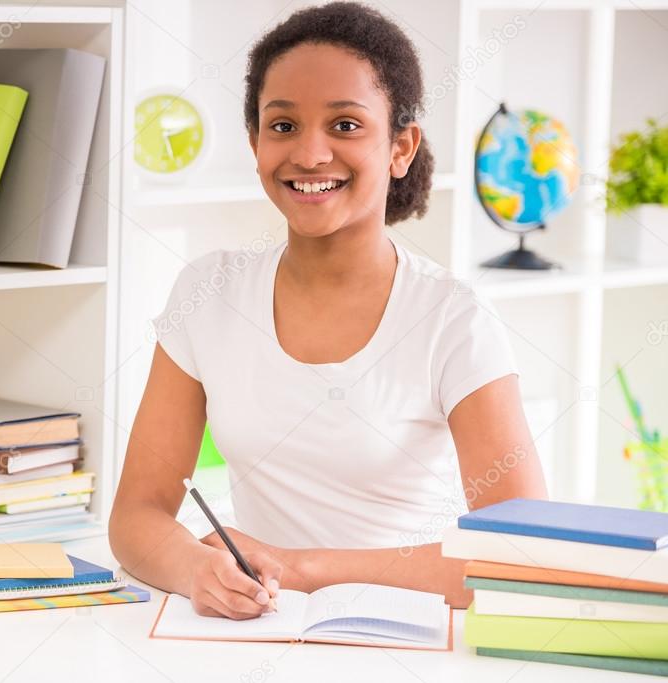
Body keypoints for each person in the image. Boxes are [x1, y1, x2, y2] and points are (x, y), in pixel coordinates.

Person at [109, 2, 548, 620]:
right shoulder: (208, 292)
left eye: (345, 125)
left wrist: (305, 568)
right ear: (256, 142)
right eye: (282, 126)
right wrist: (194, 568)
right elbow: (138, 513)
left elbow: (520, 553)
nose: (310, 155)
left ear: (400, 147)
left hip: (404, 637)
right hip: (258, 630)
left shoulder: (452, 318)